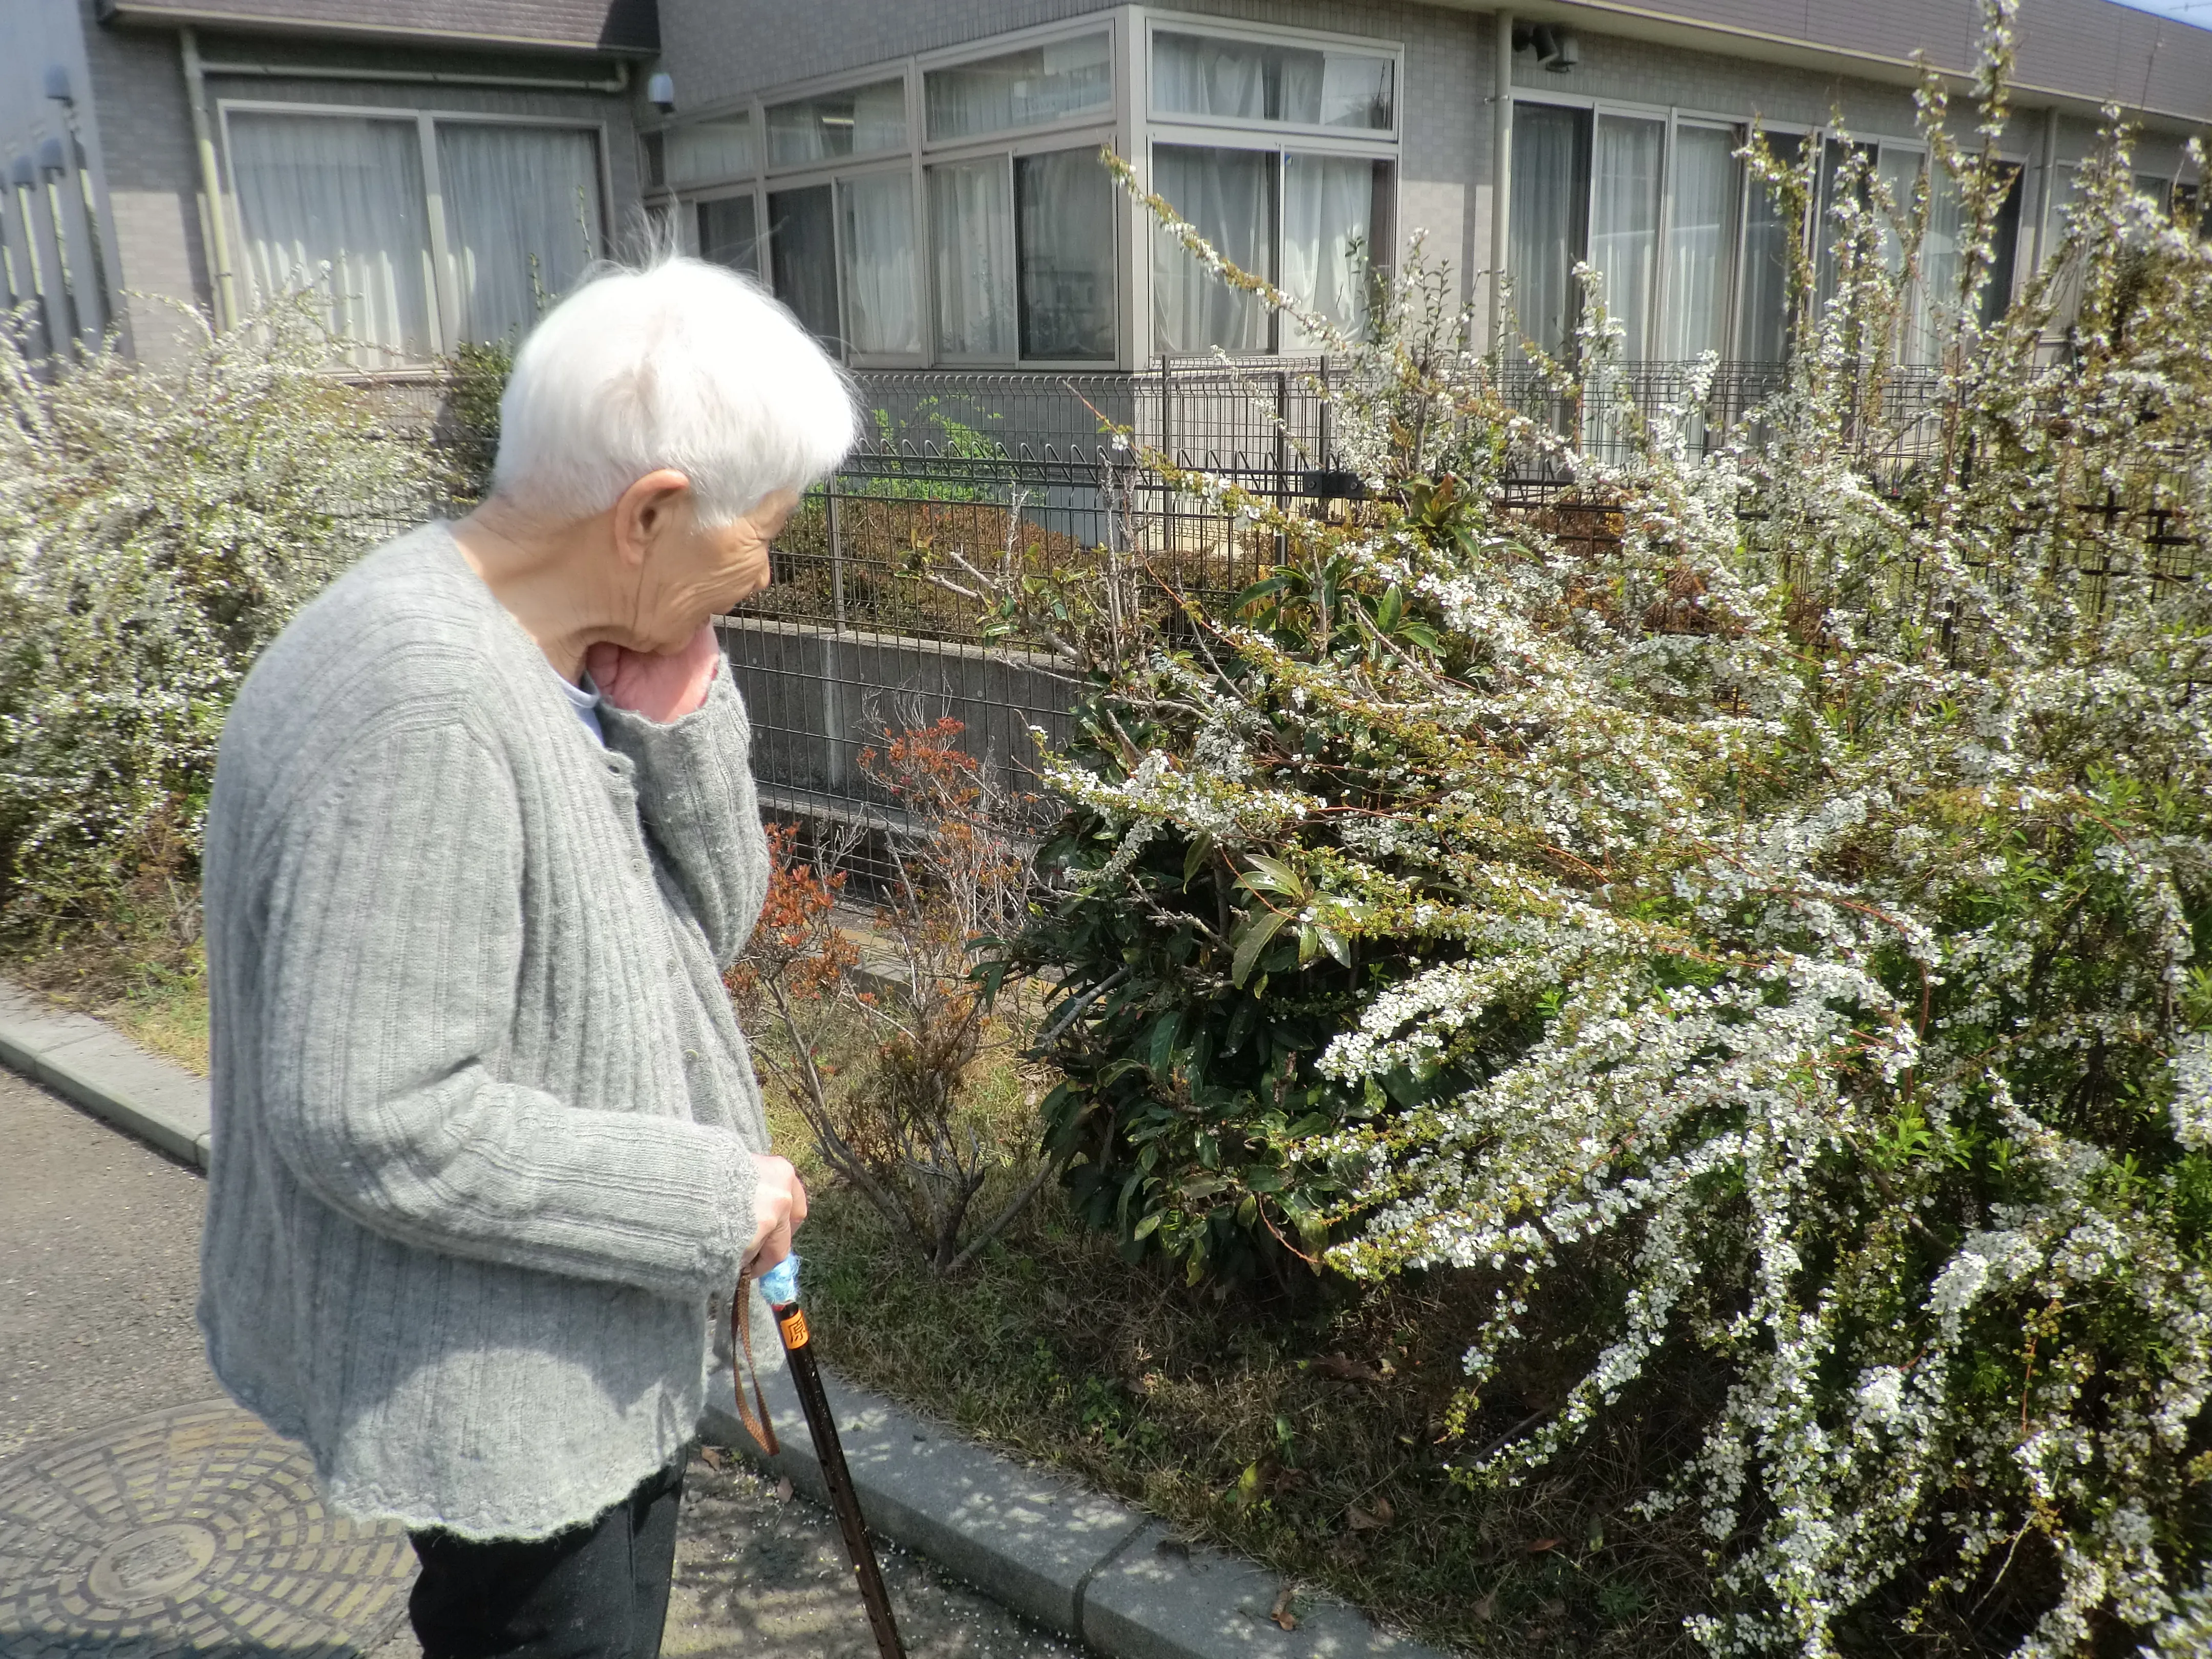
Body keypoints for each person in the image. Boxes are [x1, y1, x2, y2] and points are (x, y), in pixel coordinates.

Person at [197, 257, 858, 1659]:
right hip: (504, 1385)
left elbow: (714, 927)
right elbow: (375, 1113)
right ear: (653, 511)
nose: (768, 567)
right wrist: (704, 1196)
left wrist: (681, 722)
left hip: (590, 1333)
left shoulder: (571, 648)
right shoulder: (423, 701)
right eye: (765, 532)